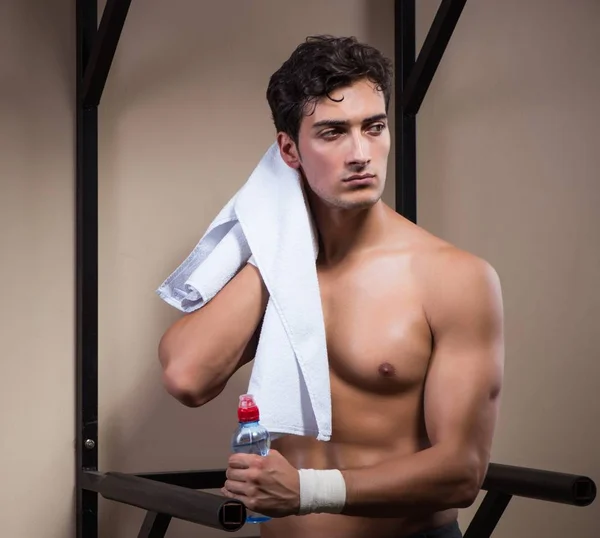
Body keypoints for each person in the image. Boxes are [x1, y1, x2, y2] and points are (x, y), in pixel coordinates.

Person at [158, 35, 505, 538]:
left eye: (374, 127)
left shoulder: (455, 279)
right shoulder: (277, 273)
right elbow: (188, 377)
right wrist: (282, 245)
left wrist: (308, 491)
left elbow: (461, 472)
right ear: (289, 150)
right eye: (333, 132)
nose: (361, 153)